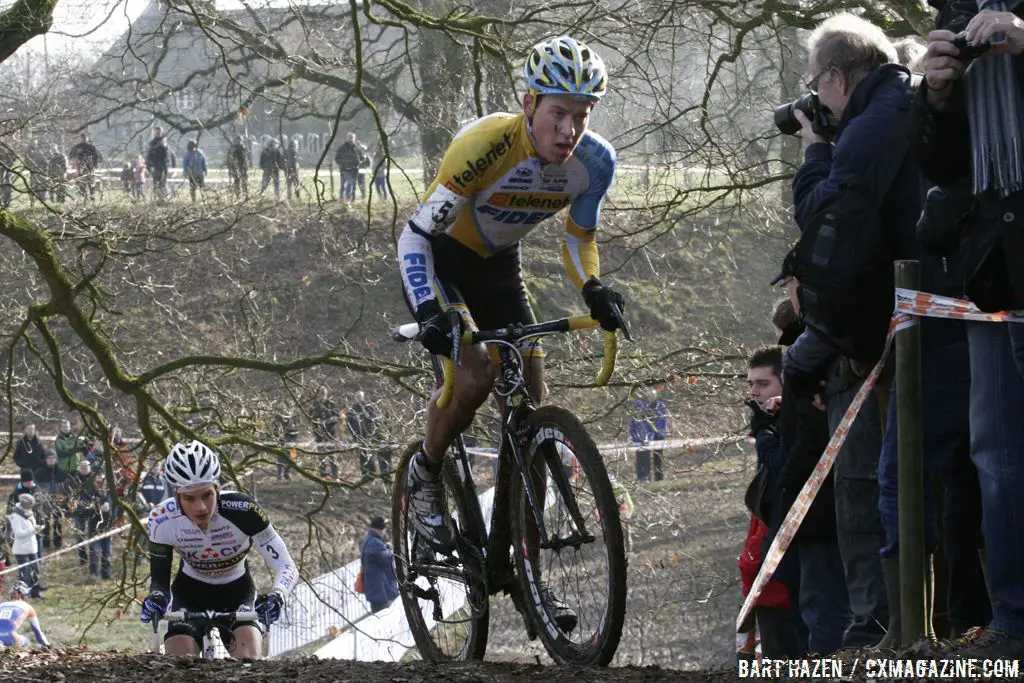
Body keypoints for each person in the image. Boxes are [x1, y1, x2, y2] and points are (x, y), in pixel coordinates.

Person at [396, 35, 622, 633]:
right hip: (442, 261)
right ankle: (426, 470)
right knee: (474, 376)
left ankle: (525, 571)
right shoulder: (485, 145)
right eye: (558, 113)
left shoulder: (595, 163)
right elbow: (415, 236)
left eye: (581, 114)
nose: (570, 128)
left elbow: (579, 240)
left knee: (532, 404)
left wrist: (593, 290)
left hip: (500, 267)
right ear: (528, 103)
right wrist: (427, 313)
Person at [784, 13, 925, 647]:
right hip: (892, 317)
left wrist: (815, 149)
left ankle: (887, 629)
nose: (815, 98)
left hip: (889, 326)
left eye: (816, 84)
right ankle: (893, 623)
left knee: (882, 483)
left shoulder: (871, 125)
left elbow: (825, 218)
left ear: (837, 76)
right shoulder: (893, 106)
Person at [908, 1, 1024, 659]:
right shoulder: (956, 9)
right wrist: (938, 92)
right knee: (996, 456)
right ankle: (1011, 622)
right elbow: (941, 166)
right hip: (991, 270)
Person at [141, 440, 298, 658]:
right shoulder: (162, 519)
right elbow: (159, 579)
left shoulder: (243, 511)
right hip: (189, 593)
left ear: (218, 488)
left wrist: (278, 595)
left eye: (207, 495)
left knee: (249, 661)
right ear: (176, 495)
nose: (201, 507)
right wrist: (156, 597)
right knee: (179, 664)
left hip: (237, 591)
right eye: (189, 498)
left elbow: (286, 565)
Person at [7, 494, 44, 598]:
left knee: (36, 571)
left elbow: (32, 526)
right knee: (25, 574)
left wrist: (38, 528)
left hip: (32, 547)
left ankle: (35, 593)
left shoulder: (29, 513)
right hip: (21, 549)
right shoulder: (15, 516)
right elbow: (18, 533)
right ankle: (22, 595)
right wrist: (33, 530)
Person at [360, 515, 399, 613]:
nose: (385, 530)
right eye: (384, 528)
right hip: (381, 589)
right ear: (380, 528)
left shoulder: (369, 539)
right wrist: (390, 550)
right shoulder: (375, 543)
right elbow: (386, 560)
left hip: (375, 588)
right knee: (385, 617)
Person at [33, 451, 67, 551]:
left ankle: (58, 543)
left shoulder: (62, 472)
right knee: (45, 523)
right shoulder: (39, 472)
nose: (51, 460)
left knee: (58, 523)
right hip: (45, 501)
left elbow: (65, 487)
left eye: (53, 458)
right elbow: (36, 487)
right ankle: (46, 543)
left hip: (58, 501)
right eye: (49, 458)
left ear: (56, 460)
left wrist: (63, 498)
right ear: (46, 460)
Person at [0, 581, 50, 648]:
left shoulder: (2, 605)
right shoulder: (27, 606)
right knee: (27, 642)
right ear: (22, 595)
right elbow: (38, 632)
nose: (27, 597)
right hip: (11, 637)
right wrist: (46, 645)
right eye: (27, 595)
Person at [347, 391, 383, 479]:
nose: (359, 398)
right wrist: (353, 434)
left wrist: (373, 433)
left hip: (369, 436)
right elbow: (349, 423)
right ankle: (364, 475)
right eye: (357, 397)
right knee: (362, 456)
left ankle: (372, 475)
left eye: (360, 397)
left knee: (370, 455)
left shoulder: (368, 407)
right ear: (355, 398)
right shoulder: (352, 409)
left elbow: (375, 420)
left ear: (363, 397)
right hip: (359, 436)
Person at [66, 459, 94, 566]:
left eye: (86, 467)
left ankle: (93, 556)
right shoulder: (74, 479)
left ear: (90, 468)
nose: (84, 469)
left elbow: (100, 492)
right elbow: (69, 493)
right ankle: (83, 558)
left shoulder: (94, 478)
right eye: (82, 467)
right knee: (79, 535)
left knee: (93, 534)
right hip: (78, 511)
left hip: (92, 510)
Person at [312, 386, 339, 479]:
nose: (322, 396)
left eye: (323, 394)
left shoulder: (331, 404)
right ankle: (323, 476)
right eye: (320, 394)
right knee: (321, 455)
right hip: (319, 434)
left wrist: (330, 420)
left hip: (330, 433)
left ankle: (335, 476)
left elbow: (337, 417)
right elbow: (311, 418)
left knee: (332, 455)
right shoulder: (315, 405)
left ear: (326, 394)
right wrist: (317, 421)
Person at [67, 134, 102, 202]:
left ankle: (92, 197)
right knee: (81, 183)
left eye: (85, 138)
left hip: (90, 169)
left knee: (91, 184)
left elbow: (98, 157)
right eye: (82, 138)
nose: (83, 140)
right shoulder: (77, 147)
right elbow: (71, 156)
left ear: (87, 139)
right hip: (80, 169)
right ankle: (84, 197)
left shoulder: (91, 147)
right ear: (80, 139)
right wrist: (74, 162)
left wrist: (94, 164)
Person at [334, 132, 363, 203]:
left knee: (353, 185)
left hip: (355, 170)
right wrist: (343, 163)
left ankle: (352, 202)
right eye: (349, 137)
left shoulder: (356, 148)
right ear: (347, 138)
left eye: (352, 137)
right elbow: (337, 158)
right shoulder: (342, 148)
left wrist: (360, 162)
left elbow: (362, 157)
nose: (351, 139)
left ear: (354, 138)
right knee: (347, 183)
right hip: (345, 170)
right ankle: (345, 199)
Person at [146, 126, 171, 199]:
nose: (158, 133)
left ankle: (163, 198)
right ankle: (156, 198)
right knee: (156, 183)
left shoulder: (164, 142)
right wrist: (149, 164)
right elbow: (149, 155)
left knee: (163, 183)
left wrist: (167, 164)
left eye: (159, 131)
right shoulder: (152, 143)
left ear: (161, 132)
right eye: (156, 132)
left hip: (163, 166)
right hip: (155, 166)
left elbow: (167, 155)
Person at [227, 135, 250, 199]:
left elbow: (246, 157)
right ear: (235, 140)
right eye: (238, 140)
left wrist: (247, 166)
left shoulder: (244, 147)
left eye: (240, 140)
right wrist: (231, 168)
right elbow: (230, 158)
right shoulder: (232, 148)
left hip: (243, 167)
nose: (239, 141)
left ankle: (246, 195)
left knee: (244, 181)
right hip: (236, 167)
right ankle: (238, 196)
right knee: (237, 181)